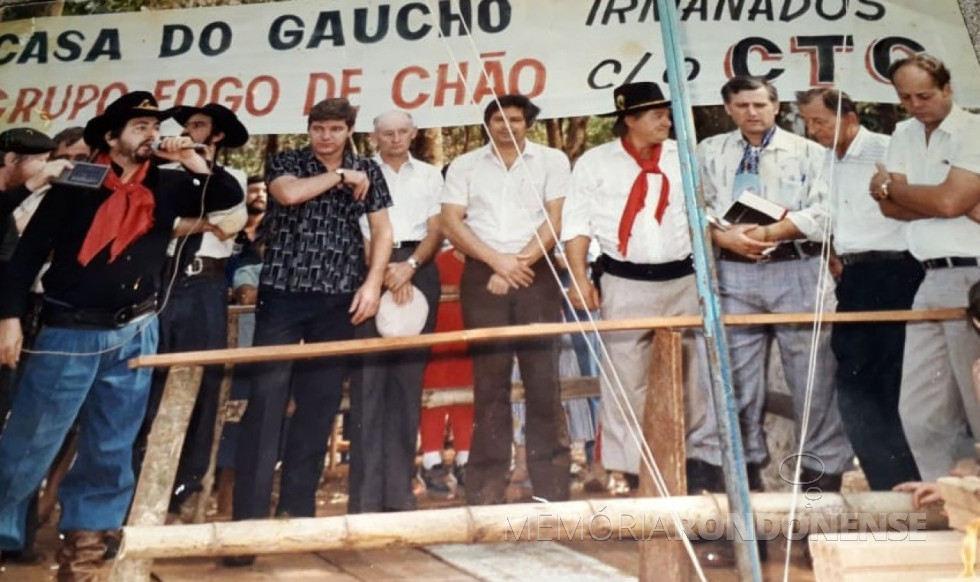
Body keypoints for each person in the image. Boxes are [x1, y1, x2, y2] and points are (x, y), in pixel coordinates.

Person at [0, 91, 242, 578]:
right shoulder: (77, 183)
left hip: (134, 331)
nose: (150, 133)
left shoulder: (172, 184)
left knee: (111, 448)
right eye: (138, 125)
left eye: (154, 125)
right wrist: (7, 318)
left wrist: (192, 157)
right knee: (29, 445)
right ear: (110, 138)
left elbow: (227, 201)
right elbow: (25, 257)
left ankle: (84, 559)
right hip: (68, 332)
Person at [226, 98, 392, 567]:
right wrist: (341, 177)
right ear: (310, 129)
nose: (326, 137)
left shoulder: (368, 170)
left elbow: (382, 231)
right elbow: (288, 195)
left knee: (318, 408)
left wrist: (374, 282)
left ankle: (296, 516)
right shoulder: (288, 162)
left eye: (335, 129)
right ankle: (246, 530)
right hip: (281, 296)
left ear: (348, 130)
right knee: (266, 403)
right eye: (318, 128)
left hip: (338, 301)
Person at [692, 76, 853, 492]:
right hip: (733, 271)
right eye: (742, 105)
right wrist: (720, 235)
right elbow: (695, 207)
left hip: (796, 267)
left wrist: (775, 232)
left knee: (814, 380)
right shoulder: (710, 151)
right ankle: (743, 489)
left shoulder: (811, 153)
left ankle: (819, 486)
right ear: (728, 109)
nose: (752, 113)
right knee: (735, 380)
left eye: (760, 104)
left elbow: (826, 212)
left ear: (776, 106)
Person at [562, 81, 706, 493]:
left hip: (682, 280)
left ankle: (687, 465)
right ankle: (629, 472)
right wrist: (579, 278)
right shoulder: (596, 163)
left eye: (667, 112)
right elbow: (576, 225)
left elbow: (704, 215)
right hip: (624, 282)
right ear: (629, 120)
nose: (665, 120)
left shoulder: (684, 157)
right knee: (626, 379)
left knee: (693, 379)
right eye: (655, 114)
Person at [441, 94, 571, 506]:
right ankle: (485, 490)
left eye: (514, 119)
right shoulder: (465, 165)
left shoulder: (552, 161)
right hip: (483, 271)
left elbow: (555, 218)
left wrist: (519, 263)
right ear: (487, 123)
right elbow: (450, 220)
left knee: (543, 382)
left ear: (526, 123)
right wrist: (496, 262)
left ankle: (550, 490)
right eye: (498, 119)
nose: (506, 126)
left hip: (536, 270)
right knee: (490, 382)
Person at [795, 87, 924, 490]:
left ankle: (914, 483)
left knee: (897, 382)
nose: (813, 130)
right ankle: (887, 485)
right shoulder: (820, 162)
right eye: (808, 122)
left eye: (820, 121)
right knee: (852, 385)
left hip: (898, 272)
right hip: (851, 278)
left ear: (849, 118)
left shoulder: (888, 150)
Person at [868, 53, 980, 481]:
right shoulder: (902, 132)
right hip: (930, 275)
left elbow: (946, 201)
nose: (916, 104)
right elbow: (892, 210)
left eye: (926, 95)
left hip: (975, 276)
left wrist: (892, 185)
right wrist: (936, 199)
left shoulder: (972, 129)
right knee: (921, 409)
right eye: (906, 98)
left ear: (948, 89)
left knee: (977, 399)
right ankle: (945, 495)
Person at [137, 102, 249, 515]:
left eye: (199, 125)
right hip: (164, 281)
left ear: (217, 135)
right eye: (185, 125)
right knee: (150, 384)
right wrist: (203, 221)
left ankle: (184, 489)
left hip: (207, 285)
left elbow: (233, 221)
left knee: (202, 384)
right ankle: (140, 490)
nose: (188, 131)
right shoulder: (162, 176)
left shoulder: (231, 177)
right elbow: (156, 224)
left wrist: (201, 216)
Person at [347, 110, 443, 513]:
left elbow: (438, 229)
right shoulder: (358, 172)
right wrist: (381, 270)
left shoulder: (429, 174)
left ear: (414, 134)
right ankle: (366, 499)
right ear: (374, 136)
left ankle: (400, 492)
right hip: (371, 268)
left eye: (403, 131)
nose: (396, 138)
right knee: (368, 385)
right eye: (387, 133)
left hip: (417, 267)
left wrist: (410, 267)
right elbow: (357, 228)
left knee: (407, 385)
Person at [418, 247, 474, 497]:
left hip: (468, 337)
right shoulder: (437, 262)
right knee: (433, 392)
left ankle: (465, 457)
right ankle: (431, 460)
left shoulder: (480, 262)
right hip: (439, 334)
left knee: (468, 392)